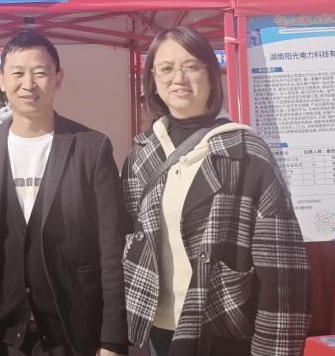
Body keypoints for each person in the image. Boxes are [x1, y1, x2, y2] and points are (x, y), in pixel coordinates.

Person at [121, 26, 310, 356]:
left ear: (210, 75)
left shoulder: (246, 153)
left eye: (191, 66)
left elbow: (283, 272)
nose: (178, 78)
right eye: (166, 68)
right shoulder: (142, 154)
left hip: (222, 328)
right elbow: (128, 238)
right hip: (155, 328)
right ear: (153, 80)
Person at [0, 30, 127, 356]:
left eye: (39, 72)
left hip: (71, 331)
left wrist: (112, 340)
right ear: (1, 80)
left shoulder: (91, 148)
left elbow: (112, 248)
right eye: (17, 73)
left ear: (58, 78)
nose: (29, 84)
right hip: (0, 335)